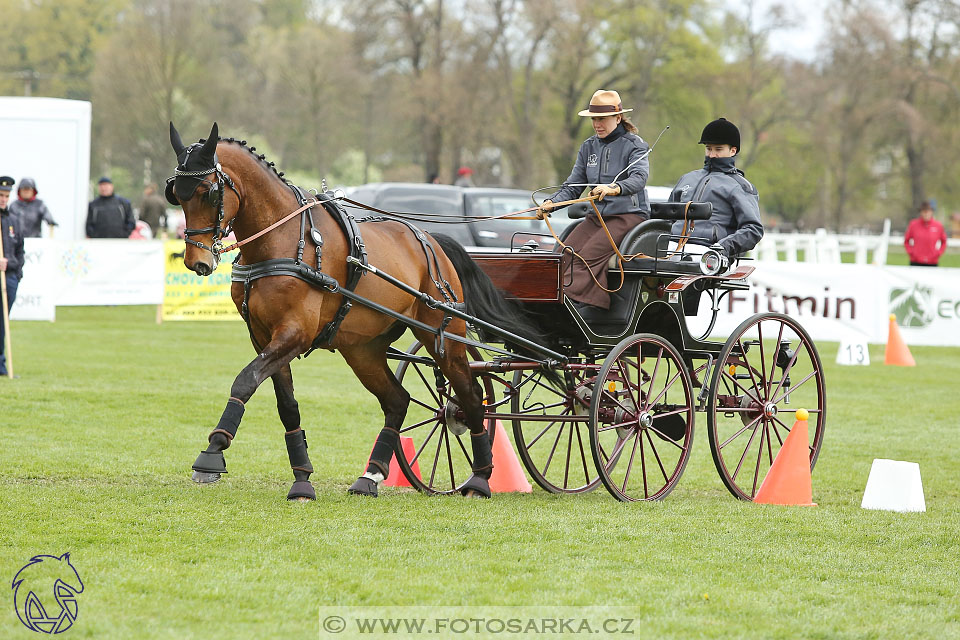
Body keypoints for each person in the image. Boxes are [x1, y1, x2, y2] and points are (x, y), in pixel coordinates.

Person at [540, 89, 650, 309]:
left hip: (628, 217)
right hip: (596, 217)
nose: (597, 124)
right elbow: (573, 186)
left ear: (618, 118)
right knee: (564, 255)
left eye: (602, 119)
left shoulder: (635, 145)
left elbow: (639, 178)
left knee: (587, 258)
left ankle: (580, 307)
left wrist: (615, 188)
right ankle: (556, 304)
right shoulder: (588, 147)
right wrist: (551, 203)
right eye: (594, 119)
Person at [668, 118, 763, 258]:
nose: (712, 155)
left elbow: (753, 229)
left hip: (709, 252)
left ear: (733, 150)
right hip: (669, 247)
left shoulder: (740, 186)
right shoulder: (687, 179)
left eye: (718, 149)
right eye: (708, 149)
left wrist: (722, 247)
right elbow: (666, 217)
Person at [0, 176, 25, 377]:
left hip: (9, 279)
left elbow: (20, 252)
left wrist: (14, 271)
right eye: (0, 195)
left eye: (6, 196)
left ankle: (1, 365)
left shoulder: (13, 221)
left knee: (3, 323)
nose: (3, 199)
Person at [904, 201, 947, 266]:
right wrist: (911, 252)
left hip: (932, 262)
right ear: (921, 212)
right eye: (924, 211)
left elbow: (944, 241)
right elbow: (906, 240)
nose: (926, 214)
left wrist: (938, 253)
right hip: (916, 261)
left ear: (932, 212)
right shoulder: (913, 225)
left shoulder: (938, 226)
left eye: (928, 211)